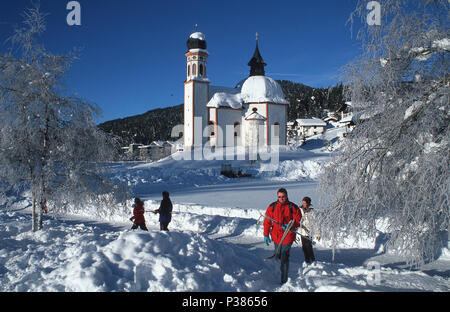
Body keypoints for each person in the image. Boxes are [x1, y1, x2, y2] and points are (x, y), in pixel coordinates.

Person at [263, 188, 301, 284]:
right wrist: (266, 234)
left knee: (284, 256)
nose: (281, 198)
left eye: (283, 197)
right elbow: (267, 222)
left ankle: (283, 280)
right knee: (278, 254)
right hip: (276, 236)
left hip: (287, 235)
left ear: (287, 196)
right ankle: (278, 268)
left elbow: (298, 220)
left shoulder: (293, 207)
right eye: (279, 197)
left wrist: (290, 225)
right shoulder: (272, 207)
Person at [299, 196, 315, 265]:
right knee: (304, 247)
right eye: (303, 203)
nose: (303, 204)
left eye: (305, 203)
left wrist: (318, 234)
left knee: (309, 247)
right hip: (302, 232)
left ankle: (313, 260)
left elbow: (315, 222)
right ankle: (307, 260)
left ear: (308, 203)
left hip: (309, 232)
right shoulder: (300, 210)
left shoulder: (312, 212)